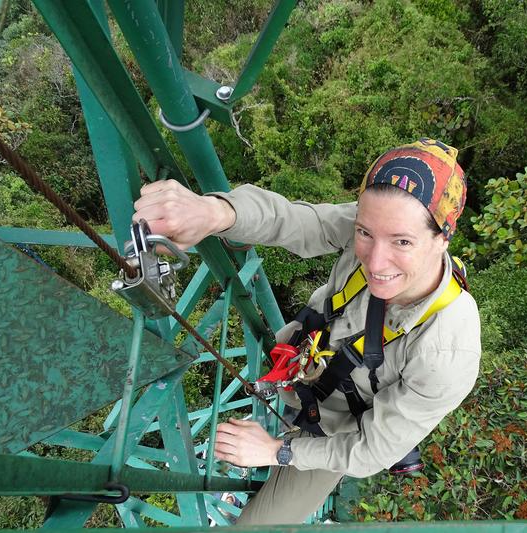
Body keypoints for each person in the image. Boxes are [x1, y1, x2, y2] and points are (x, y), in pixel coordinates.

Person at [132, 138, 481, 524]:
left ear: (442, 237)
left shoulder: (448, 351)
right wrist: (214, 213)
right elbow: (297, 220)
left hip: (335, 430)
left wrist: (276, 452)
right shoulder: (377, 218)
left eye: (402, 242)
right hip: (296, 364)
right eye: (364, 233)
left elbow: (369, 451)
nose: (375, 261)